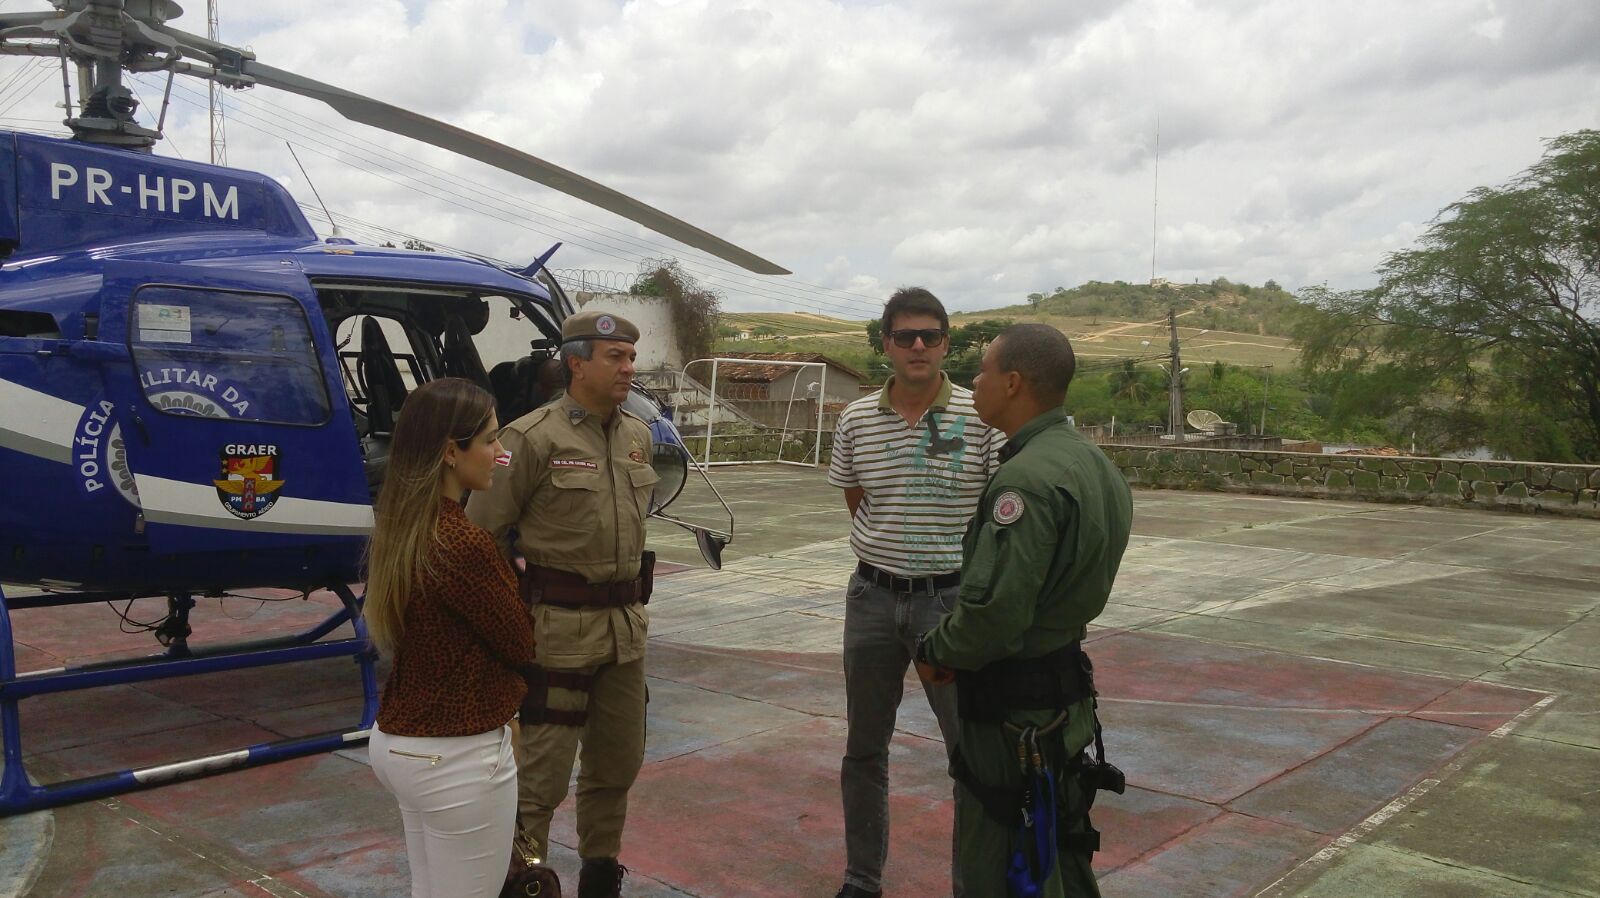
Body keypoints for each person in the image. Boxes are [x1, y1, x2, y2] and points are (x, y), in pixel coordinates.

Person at [915, 324, 1133, 898]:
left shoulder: (1026, 481)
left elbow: (993, 615)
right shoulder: (1093, 462)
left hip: (1015, 713)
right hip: (1062, 698)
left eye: (982, 371)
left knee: (999, 859)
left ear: (1013, 383)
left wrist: (935, 651)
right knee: (1060, 851)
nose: (974, 382)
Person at [467, 309, 657, 898]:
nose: (628, 367)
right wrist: (509, 622)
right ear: (576, 364)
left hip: (625, 632)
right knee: (541, 776)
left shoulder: (637, 436)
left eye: (630, 356)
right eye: (614, 357)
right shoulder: (529, 438)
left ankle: (601, 875)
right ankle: (524, 880)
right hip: (556, 632)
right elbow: (482, 538)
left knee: (617, 766)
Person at [827, 287, 1004, 898]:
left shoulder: (981, 417)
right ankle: (860, 878)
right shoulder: (855, 419)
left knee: (970, 752)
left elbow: (1003, 510)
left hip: (951, 605)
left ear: (947, 343)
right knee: (864, 749)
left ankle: (972, 884)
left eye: (930, 335)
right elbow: (859, 501)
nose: (919, 346)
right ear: (887, 345)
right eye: (906, 336)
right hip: (873, 599)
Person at [364, 377, 537, 898]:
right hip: (455, 757)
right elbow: (520, 644)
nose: (499, 452)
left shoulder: (403, 527)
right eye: (488, 440)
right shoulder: (462, 543)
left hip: (400, 747)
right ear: (450, 452)